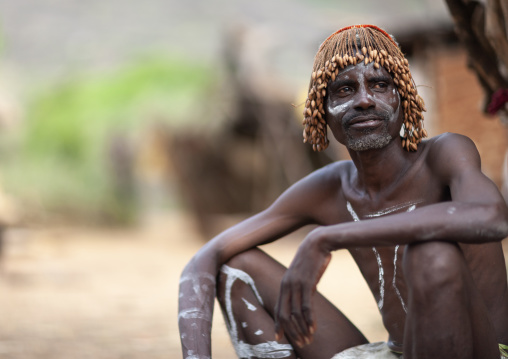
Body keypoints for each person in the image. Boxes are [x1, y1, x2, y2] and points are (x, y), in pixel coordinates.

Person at [178, 24, 508, 359]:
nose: (364, 100)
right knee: (238, 265)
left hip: (484, 351)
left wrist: (329, 237)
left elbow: (491, 216)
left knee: (431, 253)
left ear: (404, 97)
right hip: (399, 352)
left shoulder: (445, 154)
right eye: (344, 90)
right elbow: (203, 259)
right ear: (320, 112)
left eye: (380, 85)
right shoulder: (328, 187)